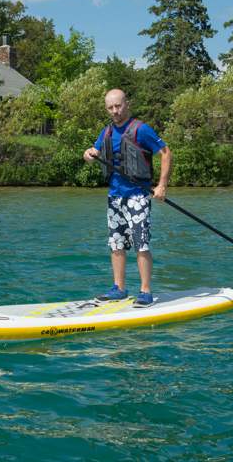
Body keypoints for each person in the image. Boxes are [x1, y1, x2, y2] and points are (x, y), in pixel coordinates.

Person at [83, 89, 173, 308]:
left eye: (118, 106)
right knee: (116, 245)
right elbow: (93, 152)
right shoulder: (106, 131)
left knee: (141, 245)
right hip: (115, 198)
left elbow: (166, 154)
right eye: (110, 107)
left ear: (127, 104)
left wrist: (162, 185)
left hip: (137, 197)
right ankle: (119, 290)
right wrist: (89, 154)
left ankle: (146, 292)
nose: (114, 111)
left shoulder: (141, 130)